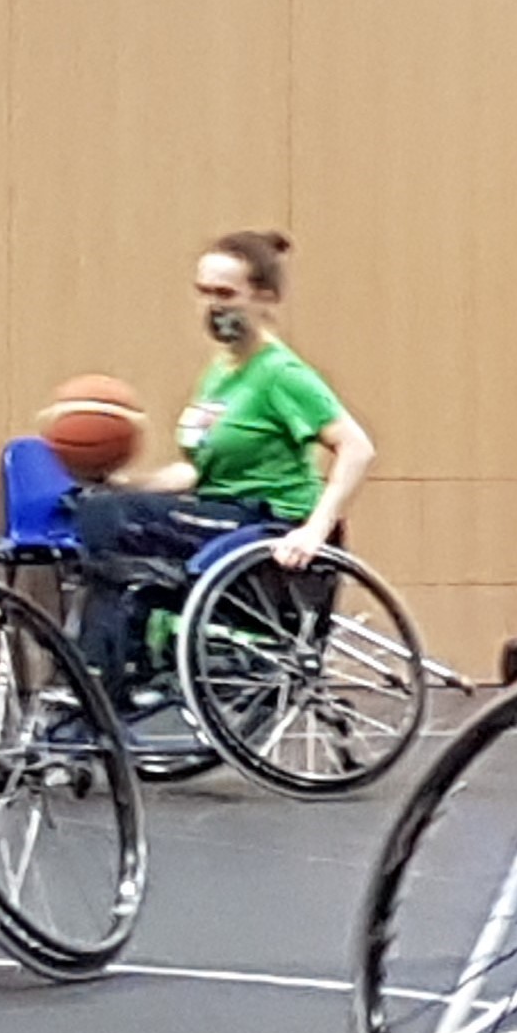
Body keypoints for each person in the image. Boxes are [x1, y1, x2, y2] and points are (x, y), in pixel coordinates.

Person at [65, 230, 379, 694]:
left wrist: (313, 531)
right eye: (205, 292)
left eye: (226, 294)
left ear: (265, 298)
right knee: (96, 508)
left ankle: (111, 675)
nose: (214, 306)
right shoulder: (220, 372)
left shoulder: (279, 374)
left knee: (107, 519)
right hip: (216, 512)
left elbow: (357, 448)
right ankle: (100, 683)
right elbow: (196, 472)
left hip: (267, 524)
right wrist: (125, 483)